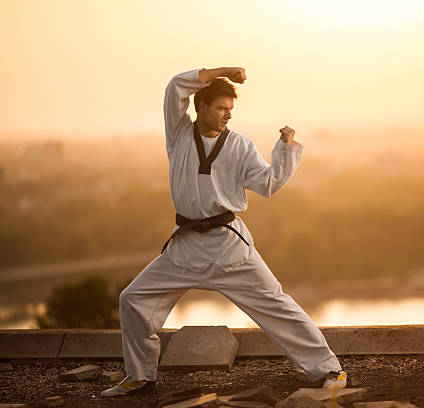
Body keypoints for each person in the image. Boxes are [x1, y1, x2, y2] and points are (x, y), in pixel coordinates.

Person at [100, 66, 347, 397]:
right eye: (221, 108)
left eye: (231, 110)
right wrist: (223, 71)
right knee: (133, 300)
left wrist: (285, 148)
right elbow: (176, 86)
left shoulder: (240, 146)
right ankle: (140, 377)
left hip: (228, 248)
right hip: (185, 248)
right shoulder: (178, 134)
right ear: (200, 107)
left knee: (277, 305)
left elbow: (267, 183)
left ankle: (329, 369)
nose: (227, 115)